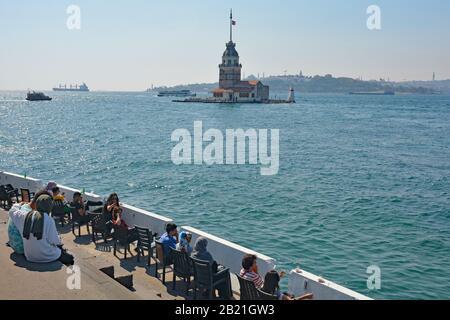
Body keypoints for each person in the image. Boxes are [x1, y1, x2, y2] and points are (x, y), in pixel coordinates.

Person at [9, 193, 74, 265]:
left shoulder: (24, 216)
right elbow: (55, 241)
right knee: (70, 258)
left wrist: (19, 204)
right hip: (47, 256)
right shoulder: (49, 220)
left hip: (29, 256)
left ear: (37, 204)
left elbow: (12, 211)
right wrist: (59, 239)